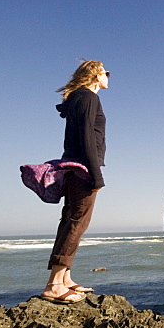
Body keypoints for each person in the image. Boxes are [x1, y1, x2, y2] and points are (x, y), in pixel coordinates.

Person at [39, 60, 109, 304]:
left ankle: (64, 277)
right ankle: (55, 284)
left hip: (72, 163)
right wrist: (95, 173)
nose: (109, 76)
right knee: (77, 221)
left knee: (71, 219)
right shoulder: (89, 97)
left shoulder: (78, 98)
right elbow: (87, 137)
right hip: (83, 167)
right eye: (106, 72)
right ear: (95, 76)